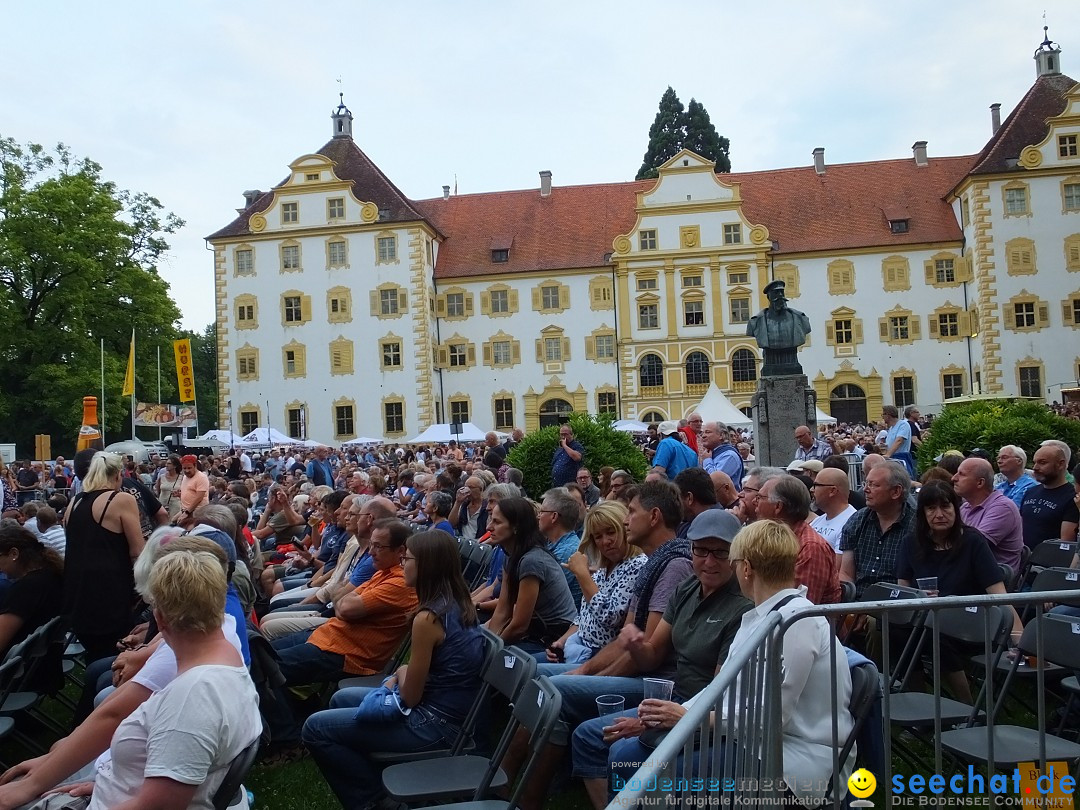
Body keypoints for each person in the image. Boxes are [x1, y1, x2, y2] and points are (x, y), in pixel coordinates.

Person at [596, 519, 853, 808]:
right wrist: (672, 715)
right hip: (750, 743)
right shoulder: (763, 617)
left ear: (745, 568)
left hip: (796, 759)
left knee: (658, 779)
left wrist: (688, 719)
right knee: (628, 757)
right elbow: (722, 689)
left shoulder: (796, 621)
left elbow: (772, 718)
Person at [303, 530, 486, 809]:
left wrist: (400, 673)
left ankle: (374, 801)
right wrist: (402, 674)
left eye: (407, 559)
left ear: (426, 566)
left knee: (315, 728)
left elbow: (410, 696)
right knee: (340, 699)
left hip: (434, 724)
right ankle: (378, 781)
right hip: (450, 713)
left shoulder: (428, 618)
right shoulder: (456, 602)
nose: (402, 564)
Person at [897, 481, 1023, 702]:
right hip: (927, 617)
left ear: (956, 509)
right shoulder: (911, 543)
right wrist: (918, 597)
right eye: (931, 508)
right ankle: (917, 700)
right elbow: (903, 590)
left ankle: (967, 707)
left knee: (931, 632)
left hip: (971, 621)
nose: (939, 514)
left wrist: (1018, 640)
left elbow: (999, 594)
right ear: (922, 513)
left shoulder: (973, 541)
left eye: (946, 507)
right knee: (894, 629)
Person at [62, 452, 145, 663]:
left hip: (77, 594)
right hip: (110, 594)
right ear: (118, 474)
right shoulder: (120, 500)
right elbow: (138, 551)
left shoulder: (75, 502)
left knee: (96, 654)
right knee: (113, 655)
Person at [547, 502, 646, 665]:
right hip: (575, 647)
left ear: (625, 529)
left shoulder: (637, 565)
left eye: (611, 532)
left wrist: (583, 575)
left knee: (534, 675)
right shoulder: (603, 569)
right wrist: (560, 642)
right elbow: (584, 617)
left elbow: (611, 617)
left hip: (599, 657)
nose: (605, 541)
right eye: (598, 536)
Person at [485, 497, 576, 652]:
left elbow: (519, 625)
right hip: (533, 633)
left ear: (516, 527)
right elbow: (503, 610)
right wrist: (487, 642)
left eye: (497, 522)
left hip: (551, 638)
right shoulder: (511, 555)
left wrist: (491, 651)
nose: (489, 527)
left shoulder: (531, 561)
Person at [756, 475, 840, 604]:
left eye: (760, 498)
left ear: (778, 507)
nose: (754, 502)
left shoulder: (811, 548)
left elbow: (800, 607)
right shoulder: (774, 539)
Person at [0, 524, 64, 689]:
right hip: (41, 666)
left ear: (14, 553)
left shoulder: (28, 588)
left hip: (18, 673)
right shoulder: (52, 576)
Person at [840, 462, 915, 598]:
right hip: (858, 605)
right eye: (866, 483)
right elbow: (845, 574)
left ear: (896, 492)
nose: (866, 490)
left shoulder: (916, 524)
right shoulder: (858, 519)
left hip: (898, 606)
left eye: (874, 485)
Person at [953, 457, 1024, 572]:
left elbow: (973, 548)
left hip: (991, 581)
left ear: (980, 482)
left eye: (961, 474)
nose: (954, 478)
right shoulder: (966, 507)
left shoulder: (1002, 508)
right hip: (967, 573)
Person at [1020, 440, 1079, 548]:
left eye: (1042, 463)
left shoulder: (1072, 498)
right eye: (1035, 462)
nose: (1035, 468)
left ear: (1061, 464)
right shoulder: (1030, 492)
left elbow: (1066, 544)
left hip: (1049, 561)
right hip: (1022, 558)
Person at [746, 279, 811, 376]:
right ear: (769, 297)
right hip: (770, 363)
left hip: (793, 362)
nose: (780, 295)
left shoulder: (800, 318)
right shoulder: (756, 322)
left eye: (782, 292)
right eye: (776, 292)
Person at [538, 488, 584, 606]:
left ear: (554, 516)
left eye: (542, 511)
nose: (538, 516)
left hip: (561, 623)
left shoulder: (567, 553)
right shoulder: (553, 544)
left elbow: (540, 597)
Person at [809, 467, 858, 552]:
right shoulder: (816, 521)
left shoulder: (852, 523)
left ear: (832, 491)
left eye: (816, 485)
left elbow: (838, 564)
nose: (811, 490)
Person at [700, 421, 743, 491]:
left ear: (721, 435)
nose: (703, 436)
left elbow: (715, 482)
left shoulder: (729, 455)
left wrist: (707, 460)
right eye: (702, 433)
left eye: (708, 432)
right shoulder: (709, 454)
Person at [449, 476, 487, 541]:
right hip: (463, 542)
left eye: (471, 487)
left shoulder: (487, 507)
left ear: (480, 489)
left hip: (479, 544)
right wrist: (457, 502)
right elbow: (451, 523)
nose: (467, 490)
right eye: (466, 487)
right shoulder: (463, 505)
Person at [881, 405, 916, 477]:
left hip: (901, 457)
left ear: (888, 415)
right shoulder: (891, 428)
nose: (882, 417)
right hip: (892, 458)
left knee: (903, 479)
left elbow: (899, 440)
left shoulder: (903, 424)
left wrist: (888, 454)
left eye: (883, 414)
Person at [176, 454, 209, 524]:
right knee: (173, 521)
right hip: (185, 510)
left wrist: (187, 512)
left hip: (197, 512)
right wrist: (180, 495)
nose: (187, 471)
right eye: (184, 468)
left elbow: (199, 498)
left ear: (195, 466)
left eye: (189, 468)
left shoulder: (201, 477)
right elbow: (191, 492)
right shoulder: (185, 477)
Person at [155, 455, 183, 522]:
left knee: (173, 524)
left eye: (169, 463)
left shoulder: (181, 478)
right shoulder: (161, 477)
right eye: (166, 463)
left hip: (176, 505)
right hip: (162, 504)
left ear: (175, 466)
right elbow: (158, 490)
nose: (166, 465)